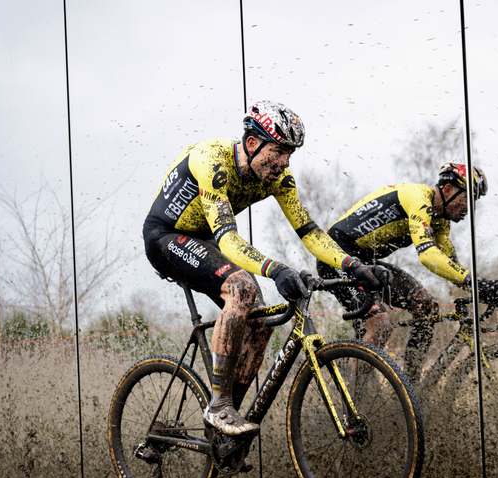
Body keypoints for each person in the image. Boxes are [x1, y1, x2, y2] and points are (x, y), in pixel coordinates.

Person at [143, 100, 385, 437]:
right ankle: (218, 406)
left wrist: (353, 264)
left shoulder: (278, 177)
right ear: (254, 143)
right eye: (280, 151)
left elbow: (310, 232)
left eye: (291, 153)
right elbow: (227, 241)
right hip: (166, 236)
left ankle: (224, 426)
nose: (285, 162)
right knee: (242, 288)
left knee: (260, 321)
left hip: (204, 240)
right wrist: (276, 270)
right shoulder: (213, 161)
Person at [316, 162, 498, 384]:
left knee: (426, 305)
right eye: (467, 198)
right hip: (334, 257)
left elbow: (449, 265)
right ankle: (354, 403)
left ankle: (411, 387)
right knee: (380, 325)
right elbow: (428, 255)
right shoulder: (419, 199)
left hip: (364, 262)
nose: (470, 207)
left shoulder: (440, 221)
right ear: (448, 190)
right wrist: (473, 283)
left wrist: (482, 285)